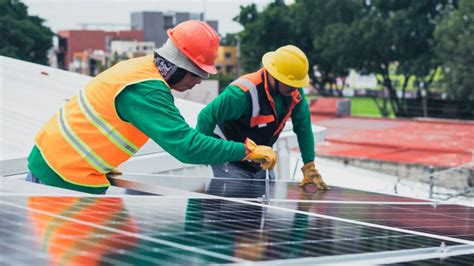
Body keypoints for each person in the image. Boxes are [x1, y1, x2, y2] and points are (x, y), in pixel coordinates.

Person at [25, 20, 276, 194]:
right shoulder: (147, 90)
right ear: (179, 65)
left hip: (59, 164)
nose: (199, 81)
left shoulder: (141, 68)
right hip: (62, 175)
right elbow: (186, 147)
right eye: (197, 73)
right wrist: (245, 150)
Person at [196, 44, 329, 190]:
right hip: (231, 159)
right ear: (274, 76)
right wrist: (204, 153)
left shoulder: (294, 94)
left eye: (296, 85)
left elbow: (303, 127)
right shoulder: (242, 93)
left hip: (261, 159)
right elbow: (206, 117)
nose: (294, 89)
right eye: (290, 84)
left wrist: (309, 164)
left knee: (262, 203)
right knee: (236, 203)